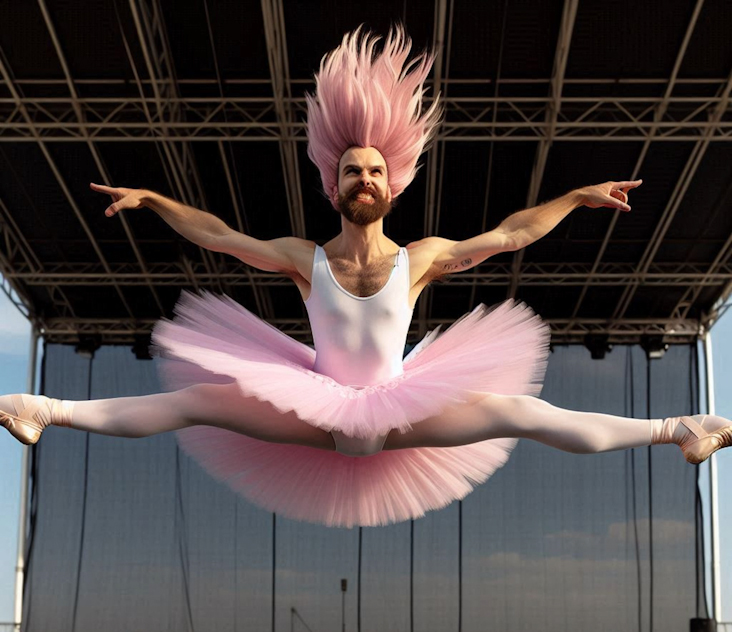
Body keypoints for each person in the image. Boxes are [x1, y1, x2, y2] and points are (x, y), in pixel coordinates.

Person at [1, 28, 730, 528]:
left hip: (403, 410)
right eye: (352, 169)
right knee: (194, 399)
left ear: (393, 184)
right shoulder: (302, 257)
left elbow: (509, 235)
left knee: (526, 414)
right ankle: (42, 409)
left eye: (375, 169)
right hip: (316, 411)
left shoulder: (421, 258)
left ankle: (681, 428)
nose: (364, 178)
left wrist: (574, 198)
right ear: (335, 184)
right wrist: (154, 199)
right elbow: (222, 237)